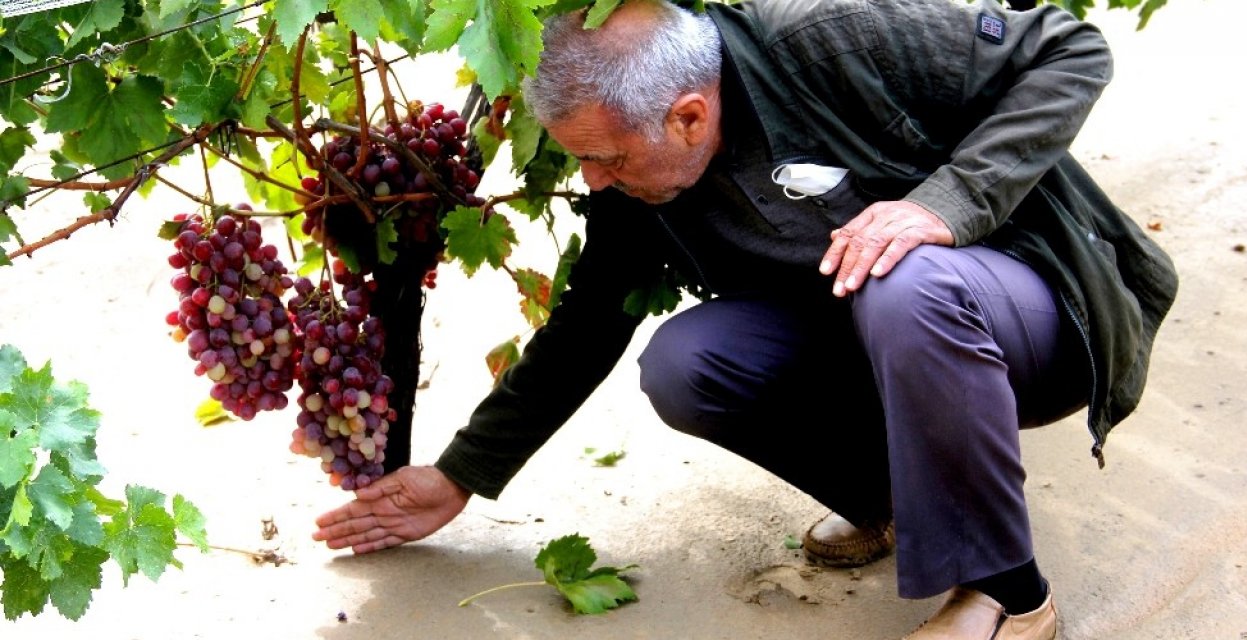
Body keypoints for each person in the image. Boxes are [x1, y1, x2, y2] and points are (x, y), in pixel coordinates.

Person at [313, 0, 1179, 638]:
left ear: (689, 115)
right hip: (879, 342)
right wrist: (462, 474)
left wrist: (947, 201)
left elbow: (1070, 50)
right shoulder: (634, 163)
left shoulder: (831, 34)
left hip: (1033, 314)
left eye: (603, 159)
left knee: (901, 279)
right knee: (686, 361)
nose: (595, 181)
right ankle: (896, 501)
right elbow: (589, 322)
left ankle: (1011, 597)